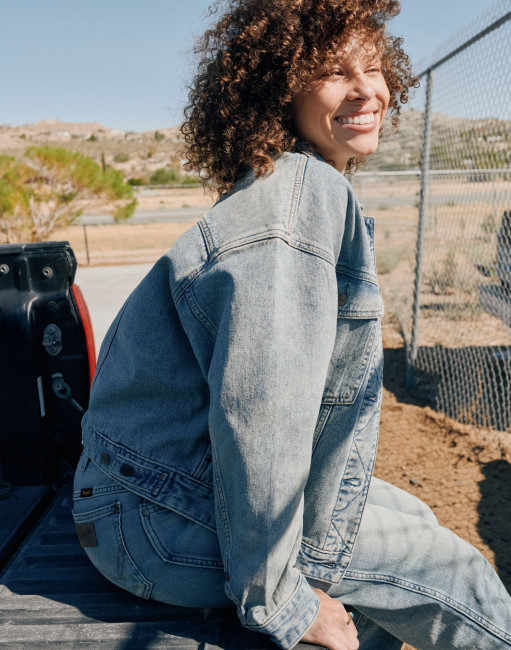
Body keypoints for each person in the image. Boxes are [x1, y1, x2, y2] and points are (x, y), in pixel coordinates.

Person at [72, 1, 511, 648]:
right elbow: (263, 412)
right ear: (280, 89)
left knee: (415, 519)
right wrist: (279, 600)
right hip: (156, 518)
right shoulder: (297, 202)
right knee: (454, 574)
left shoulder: (294, 184)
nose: (366, 90)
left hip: (139, 492)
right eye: (334, 72)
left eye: (374, 68)